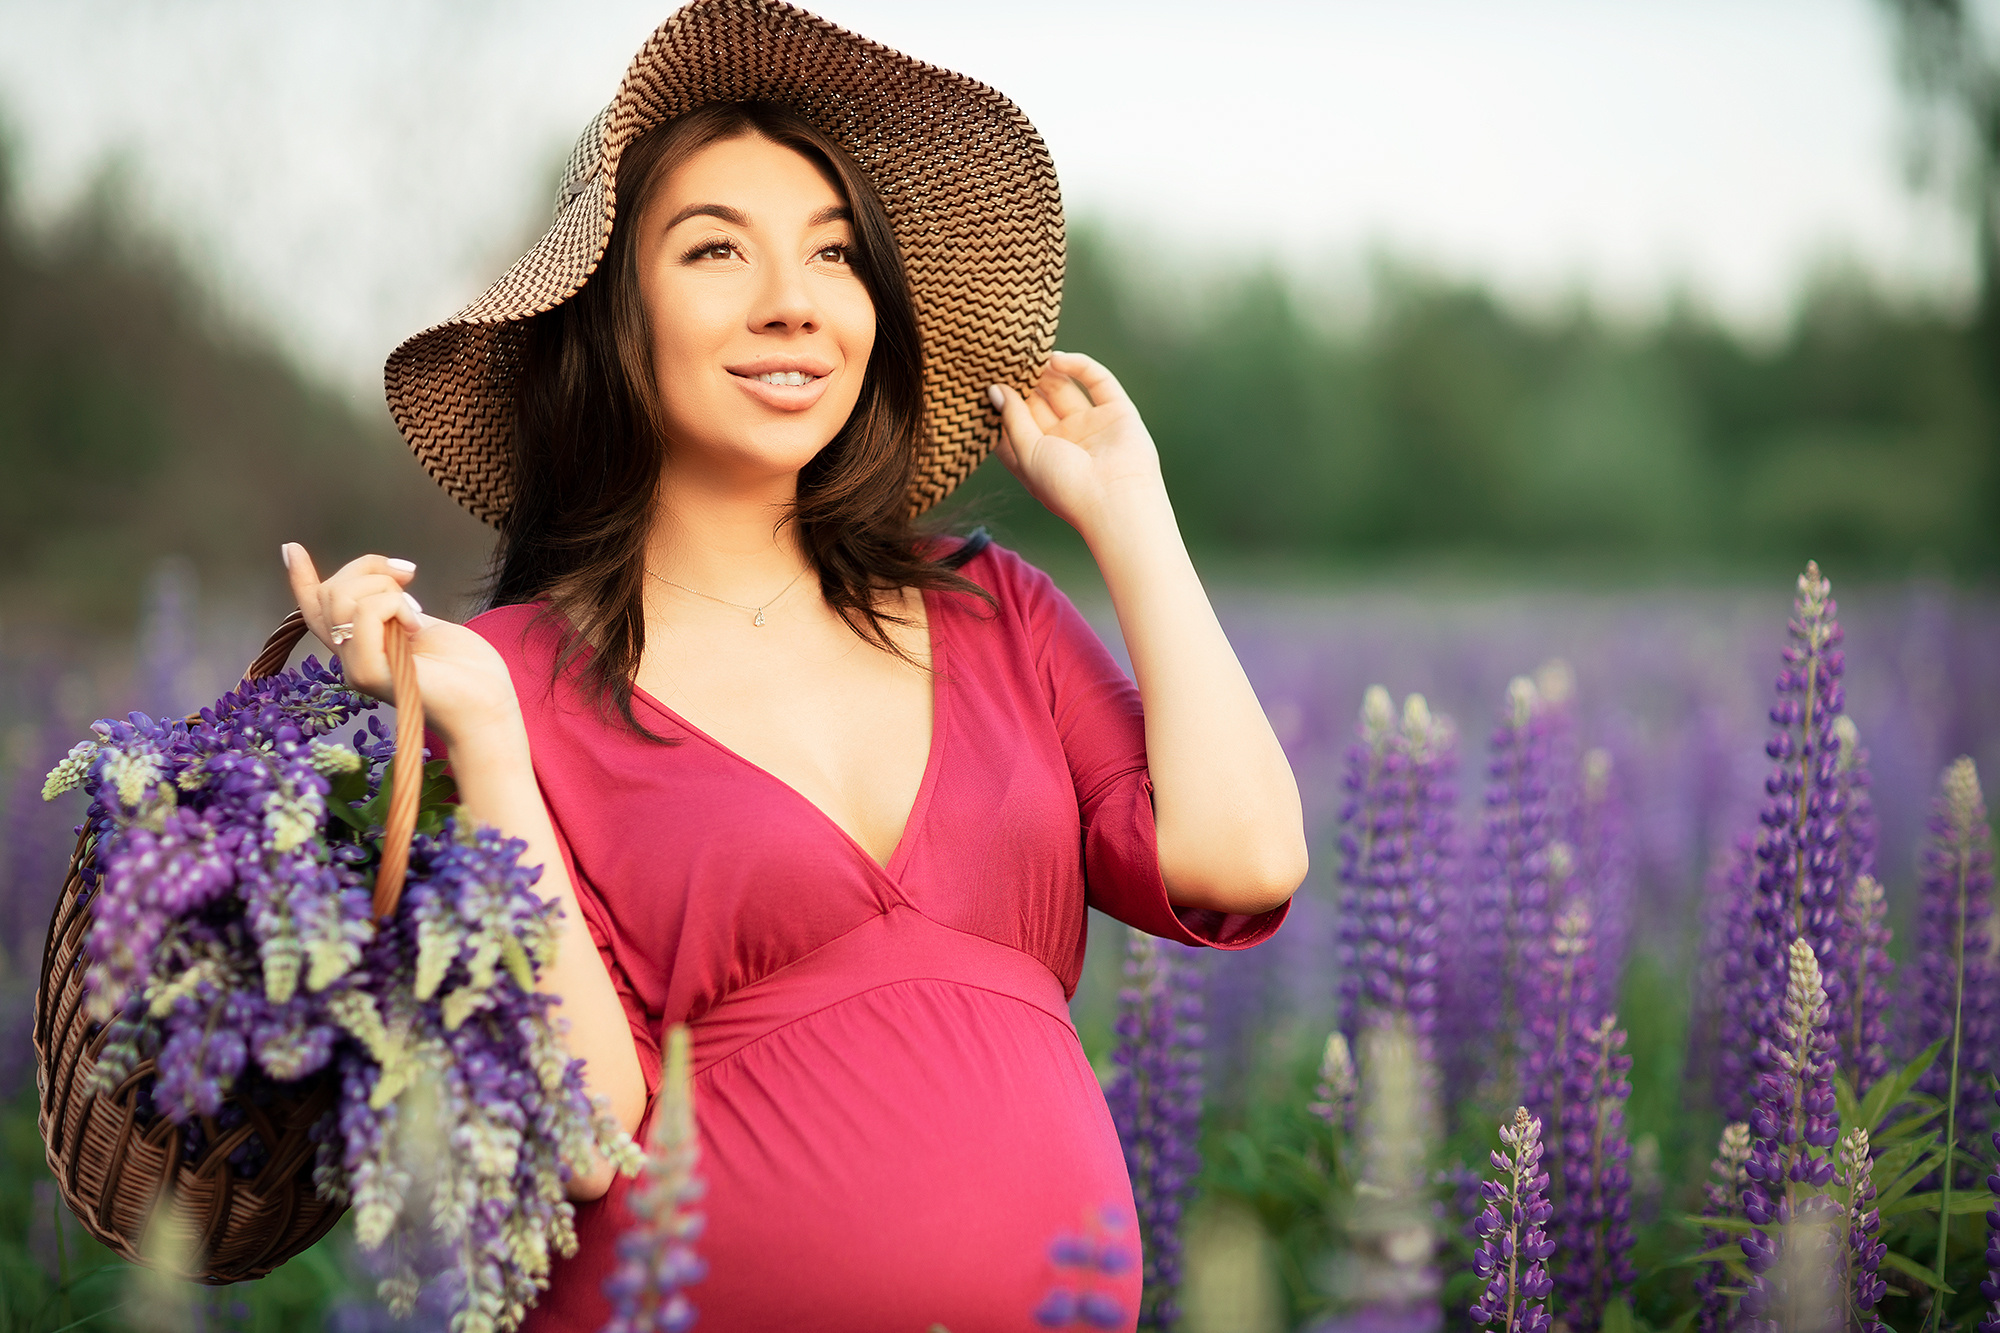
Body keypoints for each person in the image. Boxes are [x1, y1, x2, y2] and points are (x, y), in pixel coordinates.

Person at [280, 2, 1305, 1327]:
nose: (795, 303)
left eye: (834, 254)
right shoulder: (513, 676)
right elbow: (586, 1131)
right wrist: (475, 735)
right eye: (717, 250)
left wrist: (1130, 510)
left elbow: (1246, 859)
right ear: (610, 314)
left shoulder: (991, 606)